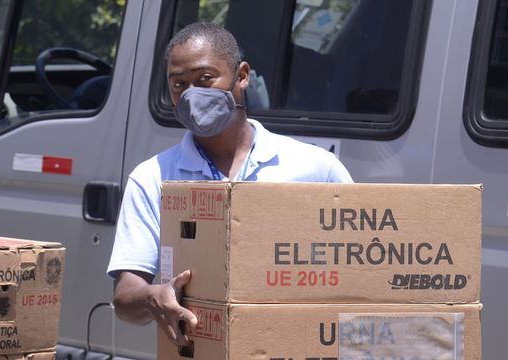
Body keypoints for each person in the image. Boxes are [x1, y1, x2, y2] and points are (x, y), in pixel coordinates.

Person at [107, 22, 353, 347]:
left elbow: (360, 267)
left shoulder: (315, 169)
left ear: (242, 76)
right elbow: (126, 296)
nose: (192, 95)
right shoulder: (153, 178)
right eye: (179, 84)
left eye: (205, 79)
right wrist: (154, 297)